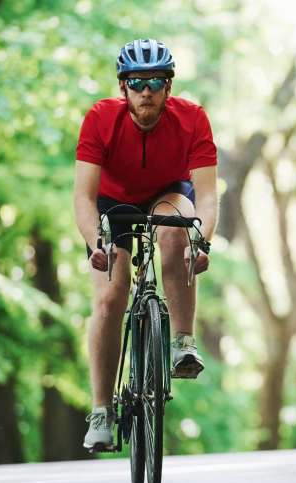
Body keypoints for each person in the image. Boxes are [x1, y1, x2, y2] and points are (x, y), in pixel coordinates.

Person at [73, 39, 219, 450]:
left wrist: (202, 241)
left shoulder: (192, 119)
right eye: (137, 82)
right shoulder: (101, 119)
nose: (146, 91)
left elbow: (206, 196)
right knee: (109, 297)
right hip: (111, 201)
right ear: (123, 88)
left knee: (177, 230)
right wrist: (95, 242)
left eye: (156, 81)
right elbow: (83, 197)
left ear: (169, 87)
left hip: (168, 191)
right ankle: (101, 409)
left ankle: (182, 344)